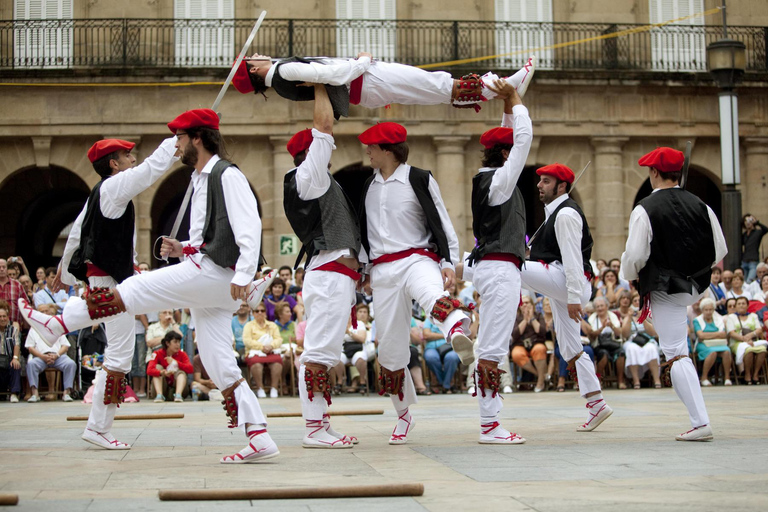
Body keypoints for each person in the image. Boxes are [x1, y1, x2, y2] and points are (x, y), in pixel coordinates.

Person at [20, 108, 278, 463]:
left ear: (197, 139)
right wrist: (183, 246)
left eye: (182, 138)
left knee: (133, 292)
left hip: (215, 274)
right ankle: (259, 435)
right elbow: (208, 236)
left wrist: (244, 273)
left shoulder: (225, 173)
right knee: (219, 361)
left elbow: (248, 225)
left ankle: (61, 322)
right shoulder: (200, 178)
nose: (178, 144)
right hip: (208, 275)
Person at [357, 121, 472, 444]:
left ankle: (457, 332)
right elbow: (364, 232)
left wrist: (448, 262)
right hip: (382, 271)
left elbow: (442, 219)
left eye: (372, 146)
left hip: (417, 258)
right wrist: (365, 270)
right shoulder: (368, 186)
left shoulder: (419, 178)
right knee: (390, 351)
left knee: (432, 294)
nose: (367, 151)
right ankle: (403, 415)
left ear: (388, 150)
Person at [620, 146, 727, 441]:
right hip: (695, 285)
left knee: (677, 354)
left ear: (655, 172)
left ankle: (700, 421)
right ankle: (698, 420)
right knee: (677, 350)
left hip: (665, 287)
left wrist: (631, 276)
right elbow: (720, 249)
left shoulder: (644, 208)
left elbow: (635, 255)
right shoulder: (701, 205)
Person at [280, 85, 362, 448]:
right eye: (320, 146)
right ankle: (313, 430)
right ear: (310, 151)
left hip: (335, 277)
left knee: (324, 352)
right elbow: (324, 127)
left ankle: (320, 424)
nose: (330, 149)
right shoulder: (308, 177)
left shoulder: (322, 181)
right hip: (328, 276)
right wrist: (319, 85)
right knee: (317, 353)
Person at [521, 163, 613, 431]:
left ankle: (458, 268)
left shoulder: (565, 215)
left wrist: (573, 297)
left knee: (505, 266)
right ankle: (597, 404)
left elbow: (573, 260)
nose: (539, 185)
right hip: (564, 282)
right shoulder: (555, 213)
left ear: (562, 186)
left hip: (568, 281)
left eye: (546, 181)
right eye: (540, 181)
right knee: (571, 346)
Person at [463, 78, 530, 444]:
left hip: (495, 266)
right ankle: (490, 426)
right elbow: (522, 140)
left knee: (491, 345)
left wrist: (506, 104)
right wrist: (517, 100)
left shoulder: (491, 176)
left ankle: (491, 421)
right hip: (500, 268)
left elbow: (508, 139)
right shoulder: (500, 181)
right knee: (492, 348)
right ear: (505, 156)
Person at [233, 51, 536, 117]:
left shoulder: (283, 77)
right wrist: (363, 61)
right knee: (432, 84)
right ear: (255, 70)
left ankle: (497, 88)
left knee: (431, 89)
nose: (258, 54)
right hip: (365, 79)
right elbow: (333, 75)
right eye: (253, 58)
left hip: (366, 86)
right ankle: (499, 86)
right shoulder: (285, 71)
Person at [25, 305, 77, 402]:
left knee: (71, 364)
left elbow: (65, 346)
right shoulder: (34, 328)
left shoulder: (56, 326)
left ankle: (66, 393)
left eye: (46, 311)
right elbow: (30, 347)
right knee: (31, 364)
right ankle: (35, 393)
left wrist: (56, 355)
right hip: (41, 357)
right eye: (42, 311)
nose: (45, 313)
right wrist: (42, 356)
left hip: (57, 356)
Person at [242, 303, 283, 399]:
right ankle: (260, 388)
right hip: (255, 352)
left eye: (262, 311)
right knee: (256, 364)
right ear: (253, 313)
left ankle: (274, 388)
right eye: (257, 311)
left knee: (277, 362)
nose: (260, 313)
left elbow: (278, 339)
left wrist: (271, 346)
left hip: (270, 350)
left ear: (265, 313)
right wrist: (261, 347)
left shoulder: (272, 325)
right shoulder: (248, 325)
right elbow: (247, 341)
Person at [620, 299, 662, 389]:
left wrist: (643, 318)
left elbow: (653, 333)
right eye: (634, 301)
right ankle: (636, 380)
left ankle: (656, 380)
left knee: (651, 348)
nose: (637, 302)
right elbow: (625, 334)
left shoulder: (649, 314)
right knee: (631, 349)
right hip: (632, 340)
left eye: (639, 301)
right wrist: (628, 317)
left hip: (647, 340)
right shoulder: (628, 316)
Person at [585, 296, 626, 388]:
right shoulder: (592, 318)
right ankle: (598, 380)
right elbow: (591, 335)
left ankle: (620, 381)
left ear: (607, 306)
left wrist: (612, 326)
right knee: (603, 355)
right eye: (597, 306)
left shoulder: (612, 316)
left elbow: (619, 333)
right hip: (599, 345)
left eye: (602, 306)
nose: (600, 308)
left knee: (621, 353)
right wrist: (602, 328)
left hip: (613, 343)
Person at [511, 295, 548, 393]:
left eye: (527, 302)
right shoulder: (515, 317)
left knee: (539, 349)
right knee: (516, 354)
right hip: (520, 345)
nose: (525, 305)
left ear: (532, 304)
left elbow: (542, 331)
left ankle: (540, 382)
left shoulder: (538, 315)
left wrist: (531, 318)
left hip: (536, 343)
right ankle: (541, 376)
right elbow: (515, 334)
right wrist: (524, 320)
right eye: (523, 303)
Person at [726, 296, 766, 385]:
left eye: (743, 303)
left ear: (747, 305)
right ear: (736, 306)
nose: (741, 306)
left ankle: (755, 375)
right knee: (749, 351)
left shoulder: (753, 316)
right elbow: (731, 333)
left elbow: (759, 330)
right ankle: (747, 375)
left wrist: (750, 336)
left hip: (752, 341)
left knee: (762, 350)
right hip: (737, 343)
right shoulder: (731, 317)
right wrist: (744, 340)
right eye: (739, 304)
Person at [692, 297, 732, 386]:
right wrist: (717, 334)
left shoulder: (719, 319)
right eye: (706, 310)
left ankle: (727, 378)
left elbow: (724, 334)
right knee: (712, 352)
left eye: (711, 309)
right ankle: (704, 377)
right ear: (702, 310)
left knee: (726, 351)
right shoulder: (697, 320)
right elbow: (700, 336)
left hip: (719, 343)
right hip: (703, 344)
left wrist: (708, 335)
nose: (709, 312)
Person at [146, 331, 192, 403]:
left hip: (176, 388)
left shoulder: (182, 354)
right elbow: (149, 370)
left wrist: (176, 363)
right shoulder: (157, 353)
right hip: (163, 387)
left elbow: (190, 369)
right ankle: (159, 395)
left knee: (181, 372)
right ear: (167, 343)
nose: (178, 345)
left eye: (179, 342)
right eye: (175, 342)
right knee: (157, 368)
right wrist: (162, 372)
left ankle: (178, 395)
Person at [0, 306, 22, 402]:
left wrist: (15, 358)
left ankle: (14, 393)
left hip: (9, 358)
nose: (2, 319)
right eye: (0, 316)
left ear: (8, 317)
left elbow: (17, 344)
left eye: (4, 316)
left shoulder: (13, 329)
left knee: (16, 365)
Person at [741, 214, 767, 283]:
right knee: (744, 283)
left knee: (749, 282)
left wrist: (757, 222)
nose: (747, 222)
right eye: (745, 220)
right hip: (744, 261)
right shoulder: (744, 234)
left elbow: (765, 229)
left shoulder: (757, 232)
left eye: (749, 220)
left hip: (753, 261)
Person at [0, 259, 26, 327]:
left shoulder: (17, 285)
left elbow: (25, 305)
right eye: (0, 267)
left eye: (4, 267)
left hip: (14, 327)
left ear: (7, 269)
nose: (2, 269)